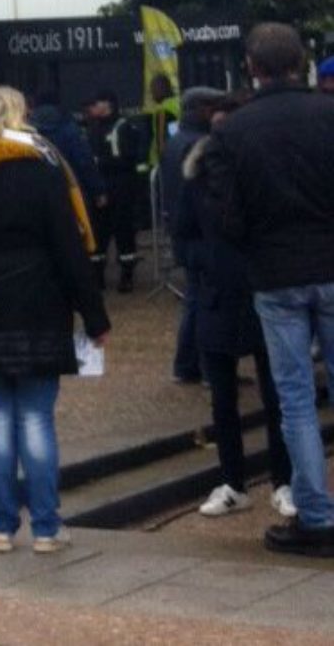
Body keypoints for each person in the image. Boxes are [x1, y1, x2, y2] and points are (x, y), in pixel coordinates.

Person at [0, 86, 110, 555]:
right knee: (35, 418)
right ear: (18, 120)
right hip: (38, 306)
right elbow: (69, 251)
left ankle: (0, 525)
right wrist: (94, 314)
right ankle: (47, 527)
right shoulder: (42, 175)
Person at [203, 23, 334, 557]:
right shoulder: (329, 114)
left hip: (275, 273)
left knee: (295, 398)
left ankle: (317, 514)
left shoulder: (232, 132)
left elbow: (226, 216)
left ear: (251, 69)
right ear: (301, 62)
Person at [178, 95, 292, 520]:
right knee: (223, 398)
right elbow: (182, 234)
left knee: (278, 394)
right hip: (218, 293)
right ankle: (232, 481)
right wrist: (203, 262)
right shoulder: (196, 176)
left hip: (262, 289)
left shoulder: (259, 172)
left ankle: (284, 480)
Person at [160, 88, 223, 385]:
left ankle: (186, 365)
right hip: (199, 234)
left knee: (194, 299)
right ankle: (210, 369)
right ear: (201, 109)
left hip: (182, 232)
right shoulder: (198, 144)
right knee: (205, 301)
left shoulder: (174, 142)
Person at [85, 90, 149, 293]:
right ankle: (97, 277)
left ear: (108, 105)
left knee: (123, 231)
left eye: (97, 103)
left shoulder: (125, 127)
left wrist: (102, 163)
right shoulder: (93, 128)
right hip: (100, 186)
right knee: (99, 233)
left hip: (120, 186)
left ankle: (127, 275)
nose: (93, 108)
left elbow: (130, 159)